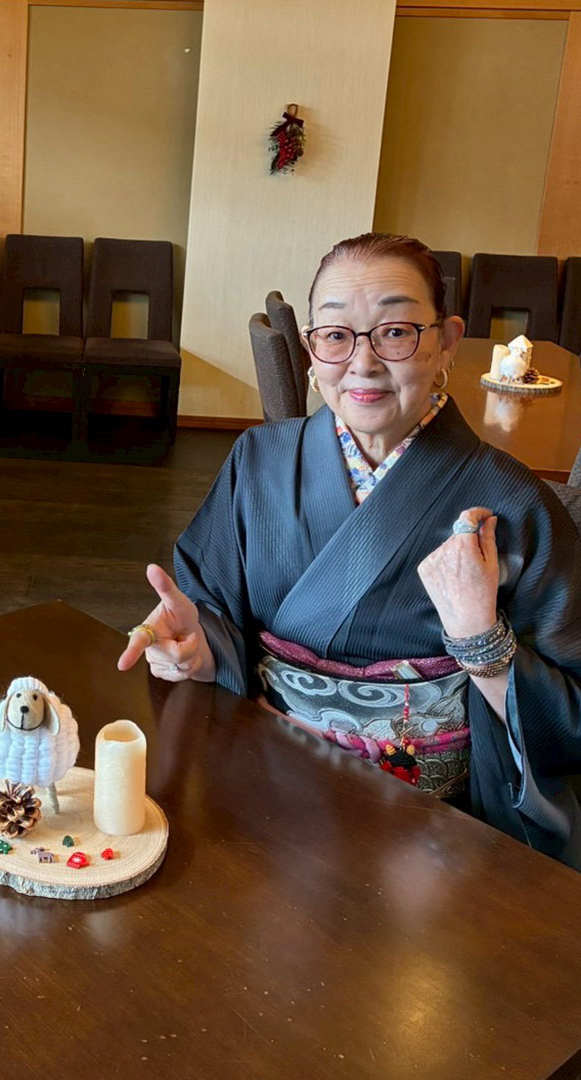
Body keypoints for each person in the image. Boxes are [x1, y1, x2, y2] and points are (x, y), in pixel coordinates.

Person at [119, 233, 581, 868]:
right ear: (312, 349)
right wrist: (200, 649)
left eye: (395, 332)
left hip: (431, 825)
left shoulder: (514, 501)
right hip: (260, 789)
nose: (362, 363)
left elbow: (573, 716)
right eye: (335, 335)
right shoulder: (258, 459)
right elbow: (211, 611)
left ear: (447, 341)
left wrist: (482, 643)